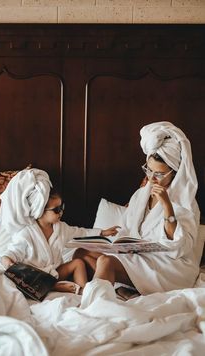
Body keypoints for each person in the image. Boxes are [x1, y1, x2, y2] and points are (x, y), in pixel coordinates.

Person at [73, 121, 204, 298]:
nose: (151, 178)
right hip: (138, 256)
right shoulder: (141, 194)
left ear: (175, 172)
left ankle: (94, 306)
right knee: (81, 253)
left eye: (158, 174)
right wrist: (118, 246)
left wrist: (167, 205)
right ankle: (124, 288)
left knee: (105, 262)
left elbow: (179, 248)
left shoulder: (186, 201)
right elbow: (127, 229)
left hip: (168, 264)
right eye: (148, 170)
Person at [0, 168, 118, 294]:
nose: (61, 212)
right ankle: (53, 287)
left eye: (62, 207)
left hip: (55, 272)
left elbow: (79, 232)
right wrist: (8, 260)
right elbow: (12, 253)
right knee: (28, 276)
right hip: (36, 277)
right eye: (56, 210)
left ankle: (83, 291)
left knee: (78, 262)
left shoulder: (61, 228)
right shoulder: (26, 233)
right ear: (40, 210)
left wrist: (102, 232)